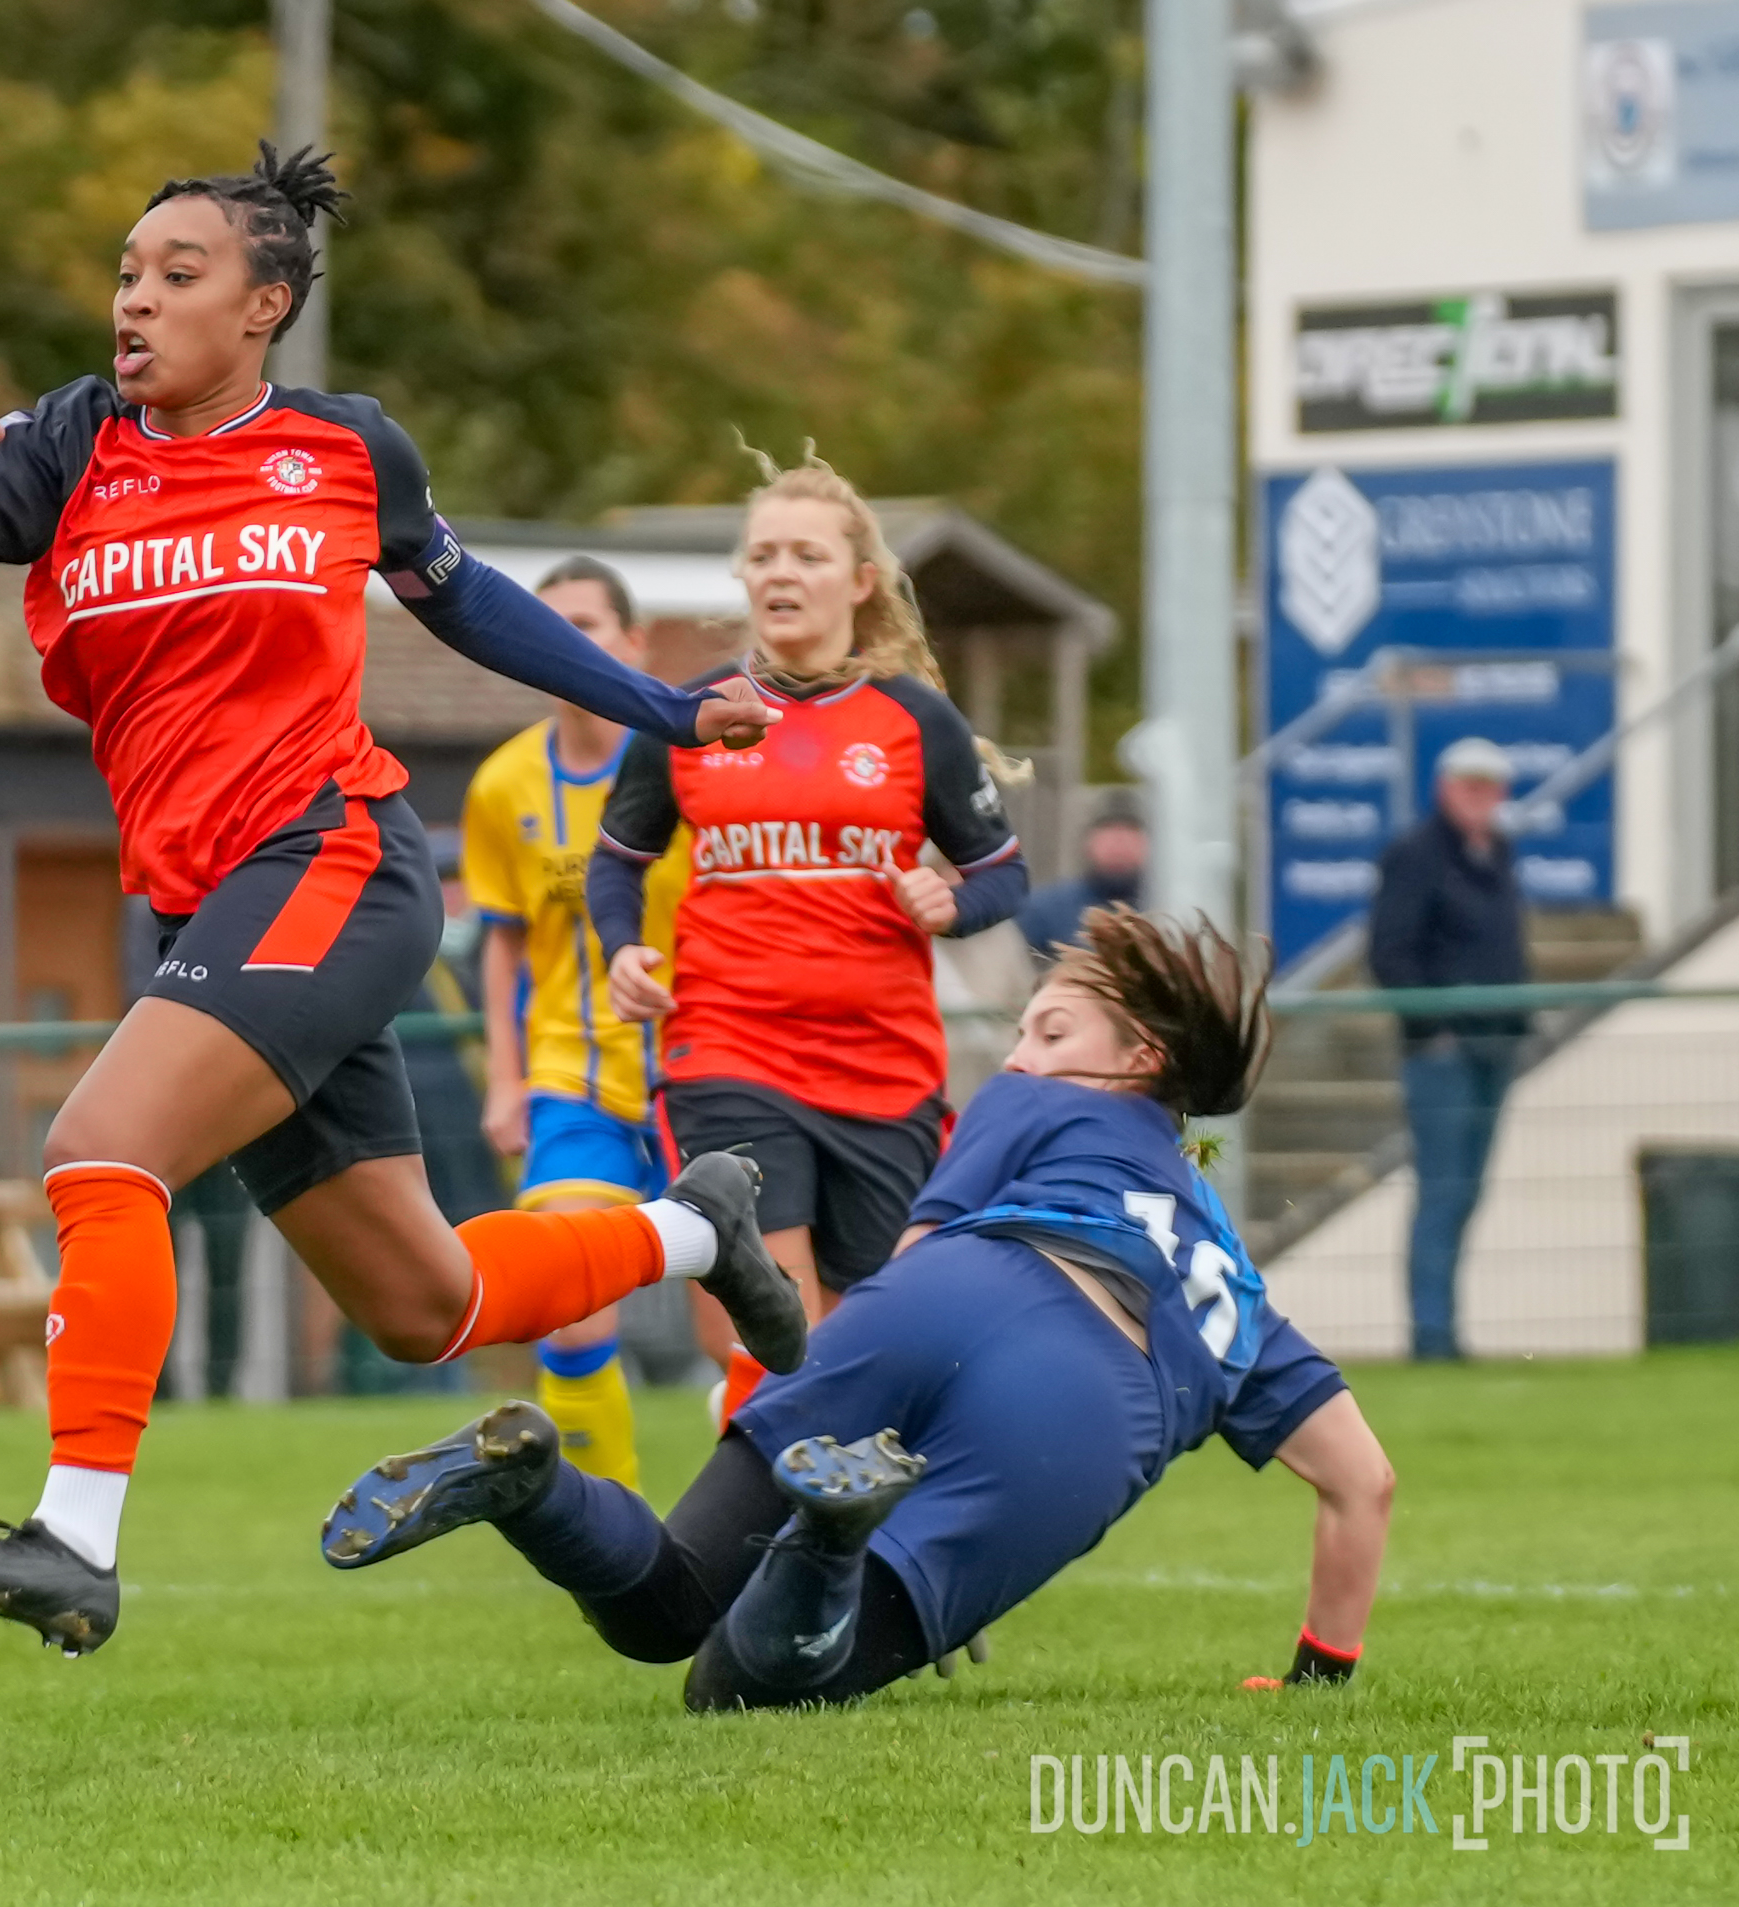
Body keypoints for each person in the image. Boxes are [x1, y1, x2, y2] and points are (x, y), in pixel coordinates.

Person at [0, 143, 803, 1658]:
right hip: (202, 908)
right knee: (423, 1300)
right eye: (126, 272)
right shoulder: (74, 443)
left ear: (266, 305)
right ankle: (700, 1233)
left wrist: (664, 711)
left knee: (99, 1143)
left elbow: (471, 603)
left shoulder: (350, 449)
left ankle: (75, 1535)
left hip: (328, 860)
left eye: (179, 273)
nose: (135, 300)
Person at [321, 908, 1396, 1710]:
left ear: (1141, 1060)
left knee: (673, 1603)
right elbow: (1362, 1483)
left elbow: (920, 1253)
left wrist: (822, 1385)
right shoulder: (1232, 1282)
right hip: (1085, 1396)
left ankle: (539, 1485)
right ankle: (837, 1534)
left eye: (1052, 1033)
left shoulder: (1031, 1106)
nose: (1022, 1057)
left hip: (943, 1294)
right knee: (731, 1689)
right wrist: (1320, 1674)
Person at [588, 448, 1029, 1418]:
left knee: (874, 1334)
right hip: (728, 1049)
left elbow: (1005, 872)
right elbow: (618, 859)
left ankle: (823, 1520)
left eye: (808, 554)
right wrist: (622, 947)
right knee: (769, 1320)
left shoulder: (915, 718)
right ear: (743, 576)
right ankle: (759, 1521)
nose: (782, 571)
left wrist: (952, 903)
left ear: (860, 581)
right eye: (764, 554)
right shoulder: (692, 713)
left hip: (884, 1069)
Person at [465, 555, 692, 1490]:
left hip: (704, 1070)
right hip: (576, 1081)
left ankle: (765, 1539)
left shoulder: (695, 755)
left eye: (589, 623)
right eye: (546, 622)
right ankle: (622, 1539)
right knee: (571, 1311)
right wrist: (505, 1077)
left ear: (634, 643)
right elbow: (503, 943)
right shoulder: (503, 784)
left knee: (757, 1321)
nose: (567, 638)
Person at [1368, 736, 1530, 1362]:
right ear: (1445, 788)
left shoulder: (1497, 853)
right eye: (1469, 785)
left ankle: (1445, 1330)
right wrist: (1432, 1023)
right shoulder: (1416, 854)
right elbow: (1390, 952)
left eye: (1490, 786)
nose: (1480, 797)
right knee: (1442, 1190)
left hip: (1495, 1044)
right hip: (1443, 1049)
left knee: (1466, 1191)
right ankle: (1432, 1336)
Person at [1013, 788, 1147, 963]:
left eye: (1131, 832)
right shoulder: (1043, 911)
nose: (1120, 842)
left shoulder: (1167, 906)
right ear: (1088, 841)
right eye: (1109, 831)